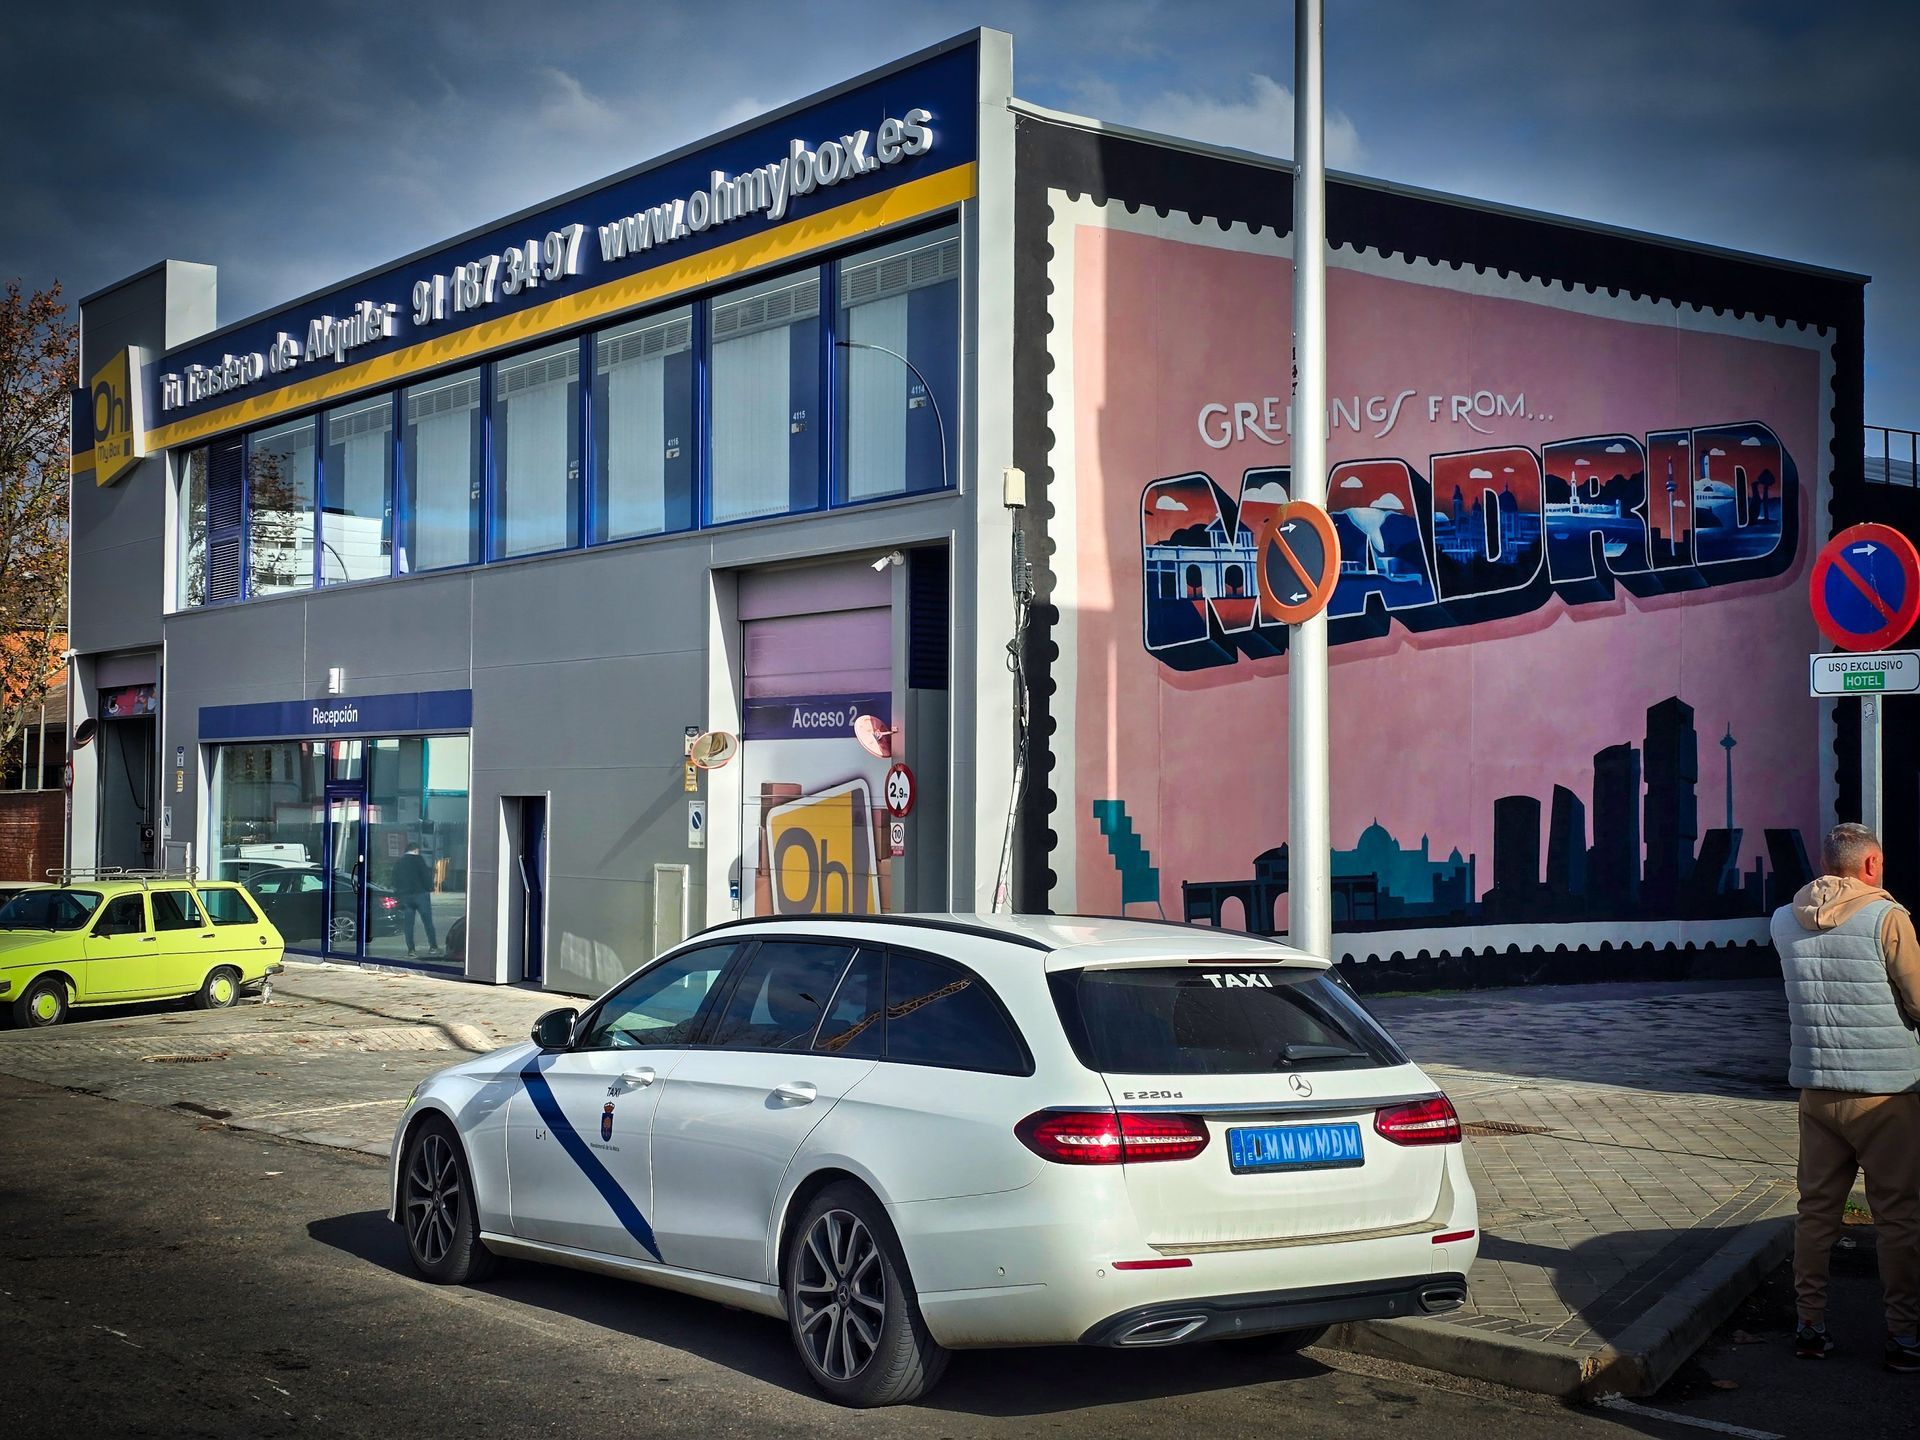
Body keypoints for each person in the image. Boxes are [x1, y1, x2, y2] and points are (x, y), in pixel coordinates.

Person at [1771, 822, 1920, 1372]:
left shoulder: (1783, 919)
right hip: (1886, 1094)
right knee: (1898, 1216)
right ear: (1872, 864)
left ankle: (1810, 1326)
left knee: (1815, 1214)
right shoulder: (1888, 918)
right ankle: (1903, 1335)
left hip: (1816, 1088)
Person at [391, 843, 438, 958]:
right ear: (416, 850)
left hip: (406, 896)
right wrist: (429, 888)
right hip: (420, 895)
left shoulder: (399, 862)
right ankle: (433, 947)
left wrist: (398, 895)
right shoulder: (419, 860)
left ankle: (411, 950)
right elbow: (425, 876)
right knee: (427, 922)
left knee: (408, 925)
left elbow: (394, 880)